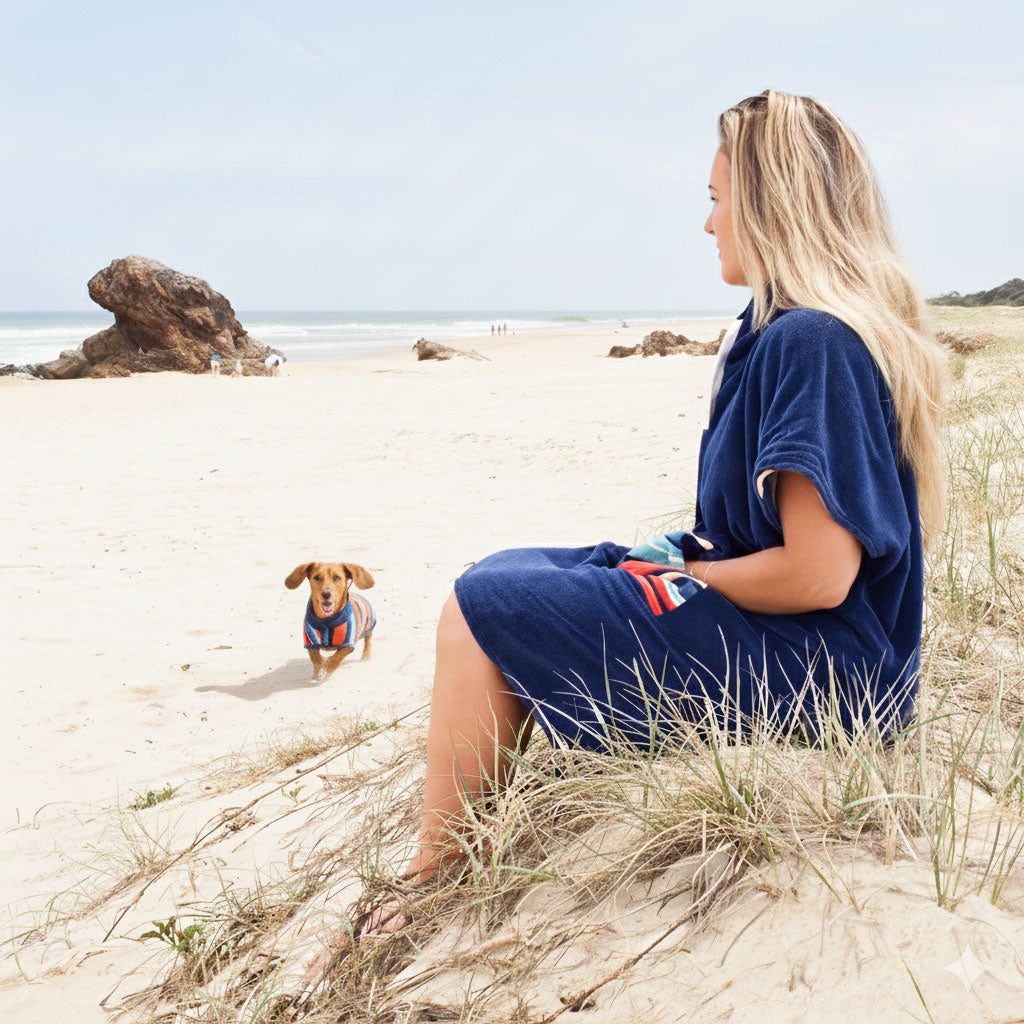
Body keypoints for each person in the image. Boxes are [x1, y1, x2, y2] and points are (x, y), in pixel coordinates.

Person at [326, 89, 947, 943]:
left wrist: (684, 576)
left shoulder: (814, 342)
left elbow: (819, 571)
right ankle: (459, 842)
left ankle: (437, 878)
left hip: (829, 680)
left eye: (717, 199)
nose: (709, 224)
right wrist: (661, 564)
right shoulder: (772, 329)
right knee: (512, 573)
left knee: (483, 606)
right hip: (800, 647)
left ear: (770, 203)